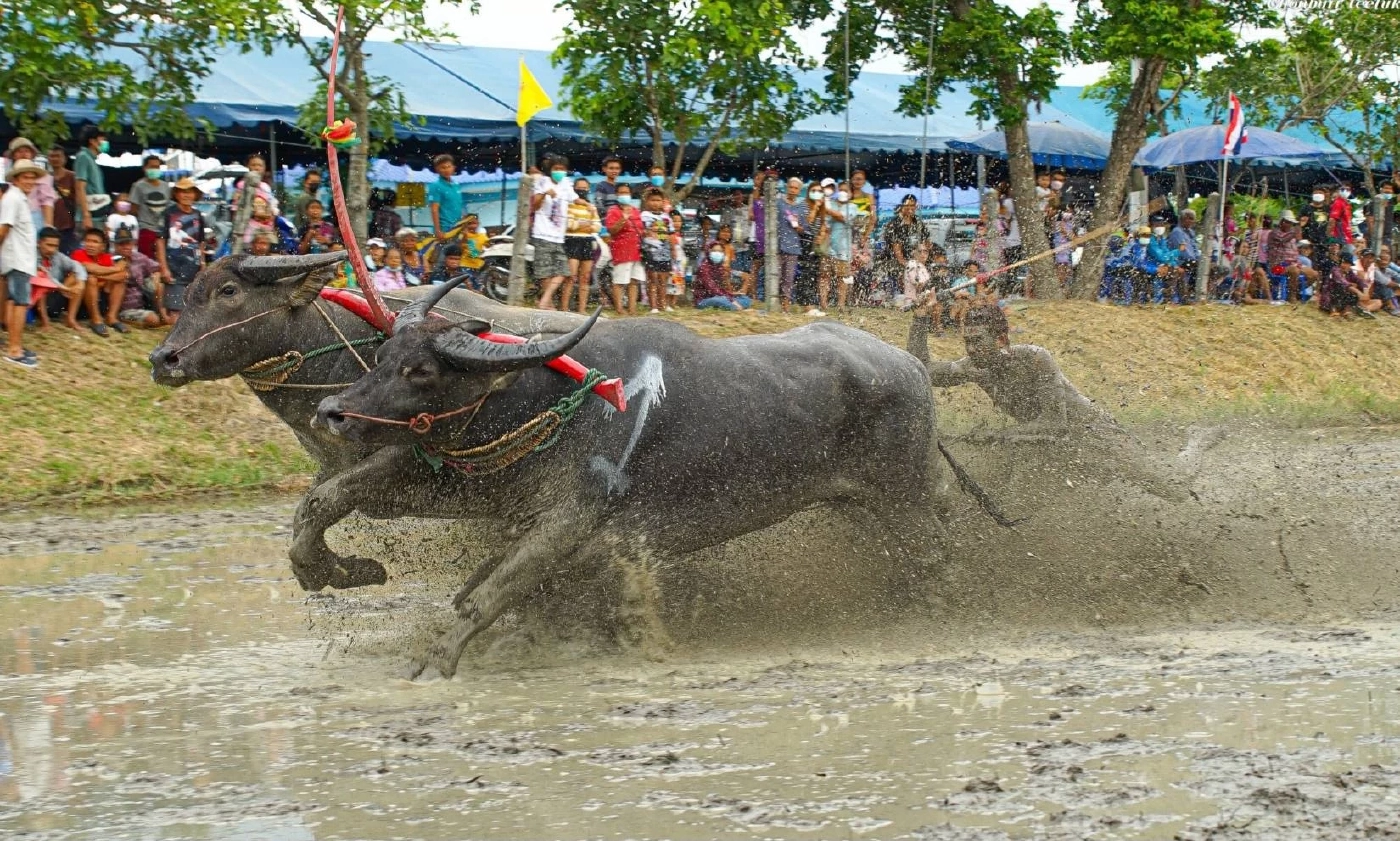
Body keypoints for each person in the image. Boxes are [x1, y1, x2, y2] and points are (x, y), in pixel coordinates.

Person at [0, 159, 44, 367]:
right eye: (25, 177)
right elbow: (3, 230)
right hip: (17, 260)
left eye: (32, 177)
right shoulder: (13, 199)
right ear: (16, 179)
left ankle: (14, 345)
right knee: (20, 303)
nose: (30, 181)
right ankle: (14, 350)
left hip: (21, 260)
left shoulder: (19, 199)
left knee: (14, 302)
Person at [156, 178, 205, 321]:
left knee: (193, 311)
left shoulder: (198, 215)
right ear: (176, 194)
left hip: (193, 268)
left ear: (195, 195)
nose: (186, 195)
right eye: (183, 192)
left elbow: (201, 241)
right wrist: (163, 267)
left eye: (190, 192)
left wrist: (202, 263)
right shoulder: (168, 214)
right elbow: (160, 241)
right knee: (175, 314)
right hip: (174, 268)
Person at [531, 156, 574, 310]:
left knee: (563, 271)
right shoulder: (542, 182)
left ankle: (545, 300)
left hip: (558, 236)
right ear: (550, 169)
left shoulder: (567, 184)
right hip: (542, 233)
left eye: (562, 169)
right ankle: (548, 305)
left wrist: (588, 205)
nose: (559, 172)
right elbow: (534, 206)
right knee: (544, 272)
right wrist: (543, 194)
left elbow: (575, 200)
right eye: (556, 169)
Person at [72, 227, 130, 336]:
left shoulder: (107, 258)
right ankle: (95, 320)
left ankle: (111, 317)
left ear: (102, 246)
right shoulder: (78, 254)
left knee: (120, 282)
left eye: (95, 242)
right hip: (82, 303)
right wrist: (115, 269)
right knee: (90, 279)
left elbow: (123, 275)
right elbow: (88, 268)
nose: (90, 244)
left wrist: (103, 277)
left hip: (100, 299)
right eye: (88, 241)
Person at [34, 227, 87, 330]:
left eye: (55, 246)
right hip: (38, 301)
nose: (52, 249)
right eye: (49, 245)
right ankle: (45, 322)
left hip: (57, 296)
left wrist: (80, 282)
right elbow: (46, 278)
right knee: (41, 284)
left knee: (76, 275)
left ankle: (71, 319)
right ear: (39, 242)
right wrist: (64, 288)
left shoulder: (57, 256)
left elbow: (77, 265)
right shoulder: (32, 256)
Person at [604, 183, 644, 316]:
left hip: (637, 251)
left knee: (634, 281)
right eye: (621, 193)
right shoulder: (613, 210)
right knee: (620, 281)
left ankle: (632, 308)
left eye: (626, 192)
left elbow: (640, 229)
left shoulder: (636, 210)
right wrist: (623, 218)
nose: (624, 195)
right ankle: (619, 308)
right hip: (622, 251)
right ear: (616, 195)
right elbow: (612, 230)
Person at [882, 195, 930, 303]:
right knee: (909, 270)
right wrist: (908, 263)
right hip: (894, 260)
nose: (910, 208)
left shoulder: (918, 222)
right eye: (907, 205)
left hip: (915, 258)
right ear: (902, 206)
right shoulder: (895, 224)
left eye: (913, 205)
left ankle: (924, 295)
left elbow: (926, 242)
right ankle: (907, 297)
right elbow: (897, 251)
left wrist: (924, 258)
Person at [563, 178, 600, 315]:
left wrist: (581, 225)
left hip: (587, 241)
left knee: (585, 277)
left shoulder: (591, 206)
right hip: (572, 241)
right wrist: (587, 225)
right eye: (579, 188)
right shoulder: (569, 205)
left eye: (585, 188)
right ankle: (564, 308)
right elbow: (569, 225)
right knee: (571, 277)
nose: (582, 191)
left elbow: (597, 226)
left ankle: (582, 309)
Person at [112, 230, 164, 328]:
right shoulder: (111, 259)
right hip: (124, 307)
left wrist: (156, 275)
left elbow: (159, 267)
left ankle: (162, 314)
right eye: (121, 244)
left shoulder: (139, 257)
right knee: (154, 320)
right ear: (115, 245)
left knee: (159, 285)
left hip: (142, 300)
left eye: (128, 243)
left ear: (132, 244)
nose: (126, 247)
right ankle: (122, 318)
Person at [6, 138, 55, 230]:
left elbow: (47, 202)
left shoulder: (42, 175)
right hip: (10, 216)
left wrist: (48, 226)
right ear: (13, 155)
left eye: (27, 151)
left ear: (32, 154)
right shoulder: (8, 174)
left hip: (34, 218)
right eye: (19, 151)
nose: (23, 154)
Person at [129, 154, 170, 259]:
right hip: (145, 229)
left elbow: (168, 207)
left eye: (157, 167)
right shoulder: (138, 186)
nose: (155, 169)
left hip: (162, 230)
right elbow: (133, 209)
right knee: (147, 260)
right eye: (152, 166)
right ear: (145, 168)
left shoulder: (165, 186)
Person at [640, 188, 674, 315]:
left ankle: (663, 303)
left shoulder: (667, 217)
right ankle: (653, 306)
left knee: (663, 280)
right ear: (647, 201)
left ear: (662, 202)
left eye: (658, 200)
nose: (656, 203)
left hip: (665, 253)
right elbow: (642, 233)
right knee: (652, 279)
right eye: (653, 200)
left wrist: (672, 249)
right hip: (650, 253)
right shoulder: (644, 216)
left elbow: (670, 234)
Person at [822, 181, 853, 313]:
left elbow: (843, 218)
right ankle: (823, 304)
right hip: (828, 247)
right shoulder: (832, 204)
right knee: (825, 276)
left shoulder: (852, 207)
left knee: (843, 278)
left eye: (845, 190)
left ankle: (841, 304)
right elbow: (825, 223)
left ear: (850, 194)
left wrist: (828, 210)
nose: (842, 193)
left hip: (844, 249)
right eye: (840, 190)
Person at [692, 240, 751, 310]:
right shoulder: (704, 268)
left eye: (720, 251)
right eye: (714, 251)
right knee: (720, 300)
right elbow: (712, 289)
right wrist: (731, 299)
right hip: (704, 300)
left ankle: (732, 305)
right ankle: (735, 307)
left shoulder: (719, 268)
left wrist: (731, 295)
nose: (717, 253)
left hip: (719, 297)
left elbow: (720, 289)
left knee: (745, 298)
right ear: (709, 251)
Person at [72, 126, 108, 231]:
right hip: (89, 217)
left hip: (97, 216)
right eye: (102, 139)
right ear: (92, 141)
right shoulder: (83, 157)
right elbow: (80, 187)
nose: (105, 143)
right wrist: (86, 215)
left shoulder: (92, 160)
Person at [47, 146, 80, 253]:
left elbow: (79, 200)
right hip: (50, 226)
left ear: (65, 159)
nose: (55, 159)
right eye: (52, 156)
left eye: (58, 156)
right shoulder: (44, 178)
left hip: (68, 226)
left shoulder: (73, 177)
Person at [428, 154, 464, 251]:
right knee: (443, 259)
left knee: (455, 258)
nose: (446, 170)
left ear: (453, 167)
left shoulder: (456, 185)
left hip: (457, 228)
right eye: (443, 167)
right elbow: (434, 209)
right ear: (437, 169)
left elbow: (460, 206)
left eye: (448, 166)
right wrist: (438, 230)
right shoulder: (435, 186)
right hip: (445, 229)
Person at [1167, 209, 1200, 303]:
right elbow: (1183, 251)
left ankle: (1202, 294)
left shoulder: (1190, 232)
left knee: (1208, 266)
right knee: (1195, 265)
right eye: (1190, 219)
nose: (1192, 221)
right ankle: (1187, 295)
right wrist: (1195, 260)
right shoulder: (1177, 232)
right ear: (1184, 219)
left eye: (1193, 219)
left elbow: (1195, 248)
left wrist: (1199, 259)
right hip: (1179, 261)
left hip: (1190, 261)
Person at [459, 215, 488, 289]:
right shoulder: (462, 236)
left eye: (474, 223)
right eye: (469, 223)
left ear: (478, 223)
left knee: (479, 288)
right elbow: (460, 246)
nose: (472, 226)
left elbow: (489, 245)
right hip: (465, 266)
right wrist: (465, 235)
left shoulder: (482, 236)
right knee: (468, 289)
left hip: (479, 267)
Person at [1329, 181, 1356, 252]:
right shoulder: (1338, 203)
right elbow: (1332, 220)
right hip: (1340, 237)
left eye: (1348, 189)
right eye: (1343, 189)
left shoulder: (1347, 204)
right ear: (1338, 191)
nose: (1345, 191)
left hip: (1346, 237)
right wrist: (1330, 237)